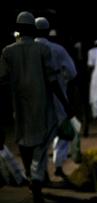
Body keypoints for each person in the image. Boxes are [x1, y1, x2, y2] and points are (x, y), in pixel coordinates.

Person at [0, 11, 71, 203]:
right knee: (41, 145)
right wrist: (65, 103)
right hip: (41, 105)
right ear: (33, 29)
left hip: (19, 107)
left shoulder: (7, 52)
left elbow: (2, 82)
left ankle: (32, 177)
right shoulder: (42, 50)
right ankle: (37, 181)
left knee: (23, 142)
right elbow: (52, 80)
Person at [34, 17, 77, 183]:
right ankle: (58, 166)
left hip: (34, 100)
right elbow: (72, 72)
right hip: (58, 98)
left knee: (39, 139)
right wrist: (63, 80)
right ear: (47, 31)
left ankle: (41, 173)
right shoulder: (57, 49)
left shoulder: (25, 50)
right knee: (62, 133)